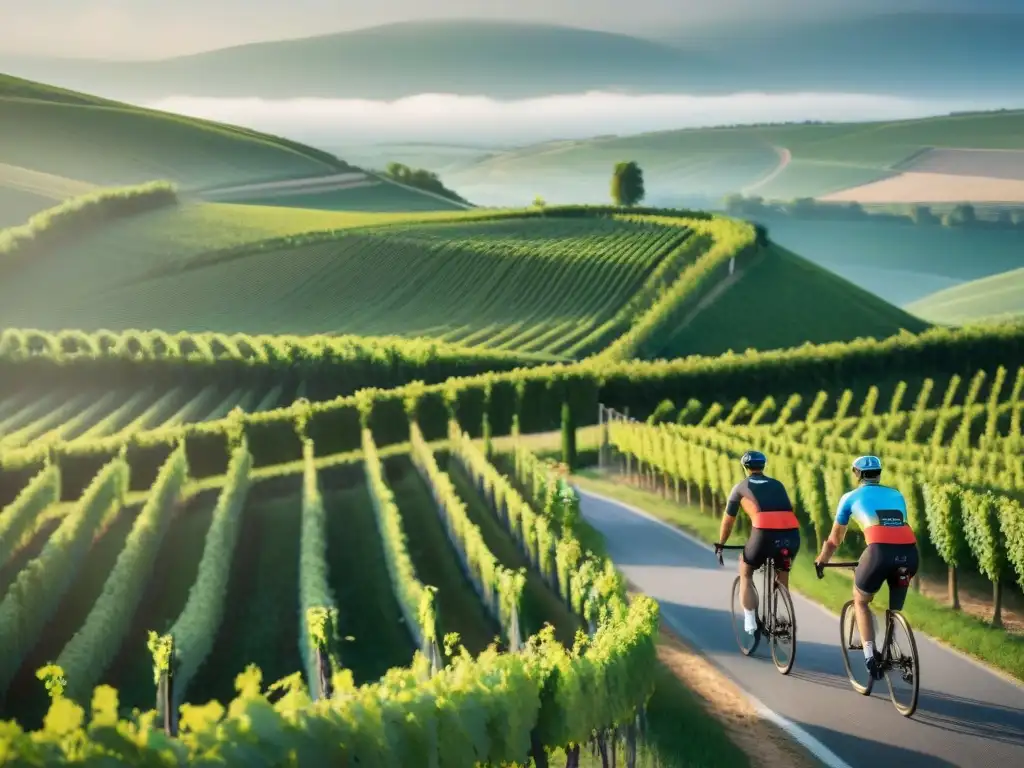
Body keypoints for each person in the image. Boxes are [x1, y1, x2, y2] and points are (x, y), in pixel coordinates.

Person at [814, 455, 919, 680]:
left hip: (879, 554)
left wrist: (822, 560)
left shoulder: (850, 498)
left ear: (857, 474)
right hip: (910, 554)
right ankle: (892, 649)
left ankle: (871, 657)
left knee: (861, 601)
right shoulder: (897, 495)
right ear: (879, 473)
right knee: (894, 609)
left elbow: (834, 540)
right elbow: (899, 530)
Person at [715, 450, 801, 635]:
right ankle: (781, 617)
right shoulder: (778, 484)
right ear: (763, 466)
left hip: (763, 534)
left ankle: (750, 621)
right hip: (792, 534)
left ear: (745, 468)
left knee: (745, 570)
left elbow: (728, 520)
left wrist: (721, 543)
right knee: (782, 573)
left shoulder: (740, 487)